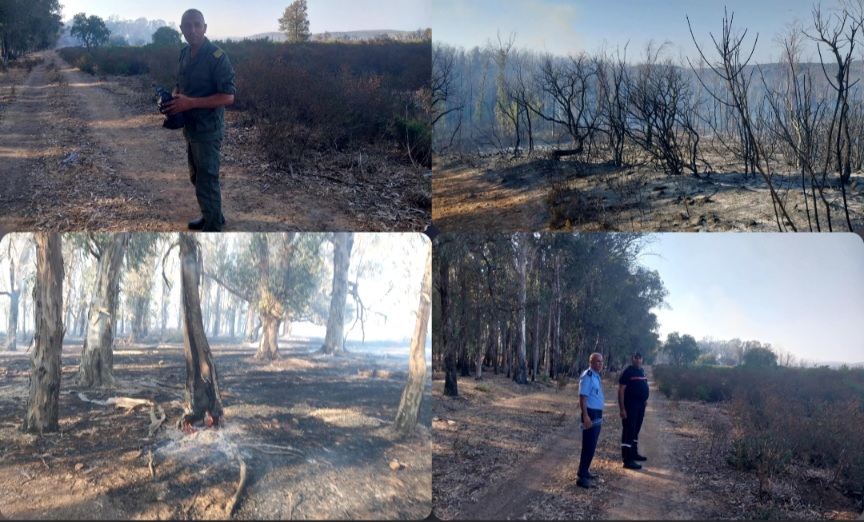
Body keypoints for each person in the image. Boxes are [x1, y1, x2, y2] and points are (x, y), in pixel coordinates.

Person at [162, 8, 235, 232]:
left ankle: (213, 228)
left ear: (205, 28)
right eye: (188, 25)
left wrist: (190, 103)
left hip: (208, 129)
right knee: (197, 177)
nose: (192, 29)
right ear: (181, 29)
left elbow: (228, 97)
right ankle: (212, 214)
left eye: (197, 24)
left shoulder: (217, 57)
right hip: (191, 127)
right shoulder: (184, 54)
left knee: (207, 178)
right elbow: (180, 83)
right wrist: (174, 97)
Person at [576, 352, 605, 488]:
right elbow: (583, 398)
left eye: (601, 361)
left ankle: (585, 471)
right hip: (590, 414)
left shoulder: (596, 376)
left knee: (592, 445)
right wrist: (586, 416)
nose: (600, 363)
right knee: (588, 445)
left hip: (597, 413)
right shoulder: (587, 376)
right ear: (591, 362)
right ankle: (581, 477)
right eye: (597, 361)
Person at [618, 351, 649, 470]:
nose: (638, 360)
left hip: (641, 406)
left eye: (640, 358)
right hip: (630, 406)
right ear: (632, 359)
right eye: (636, 358)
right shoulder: (627, 371)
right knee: (629, 431)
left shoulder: (642, 370)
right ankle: (627, 459)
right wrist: (622, 408)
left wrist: (644, 399)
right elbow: (621, 390)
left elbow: (643, 385)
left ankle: (634, 453)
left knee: (636, 430)